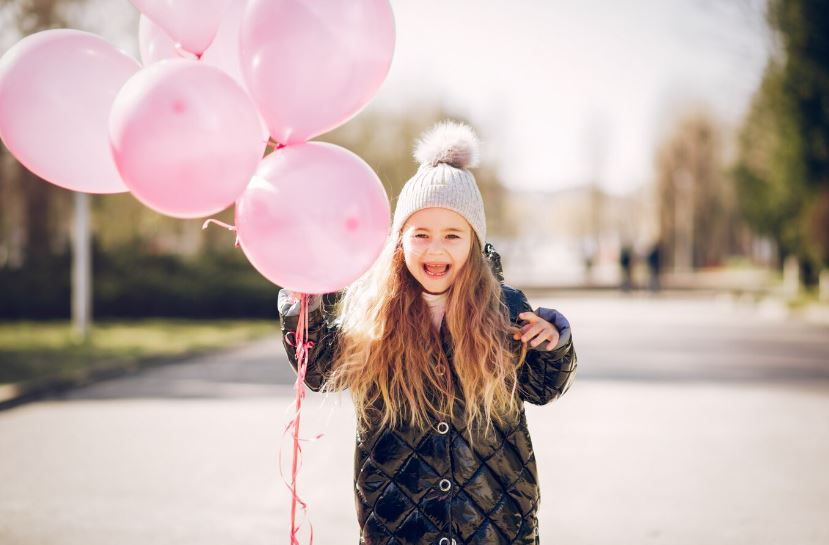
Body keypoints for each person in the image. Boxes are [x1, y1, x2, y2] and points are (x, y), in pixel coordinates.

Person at [278, 120, 578, 545]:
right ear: (400, 241)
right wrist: (302, 305)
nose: (436, 249)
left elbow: (542, 387)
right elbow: (321, 367)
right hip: (401, 527)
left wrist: (554, 346)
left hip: (493, 524)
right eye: (421, 235)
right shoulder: (375, 311)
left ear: (473, 243)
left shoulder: (505, 308)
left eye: (452, 235)